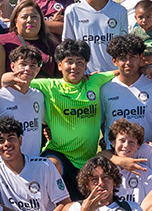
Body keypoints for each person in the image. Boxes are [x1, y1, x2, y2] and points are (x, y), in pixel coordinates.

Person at [29, 40, 113, 193]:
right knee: (49, 166)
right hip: (59, 154)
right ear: (60, 65)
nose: (74, 67)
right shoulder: (48, 86)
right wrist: (6, 77)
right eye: (69, 62)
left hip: (87, 162)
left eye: (80, 62)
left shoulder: (95, 81)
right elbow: (17, 80)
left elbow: (120, 72)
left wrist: (147, 70)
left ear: (86, 66)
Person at [0, 46, 47, 158]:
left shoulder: (38, 96)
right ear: (12, 66)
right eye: (23, 64)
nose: (27, 69)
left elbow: (44, 124)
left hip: (32, 165)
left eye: (33, 66)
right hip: (3, 167)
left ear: (38, 70)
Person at [63, 0, 128, 72]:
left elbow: (124, 49)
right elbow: (68, 49)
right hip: (84, 77)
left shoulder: (120, 11)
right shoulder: (72, 11)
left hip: (113, 76)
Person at [99, 34, 152, 145]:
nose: (128, 62)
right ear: (114, 61)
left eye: (133, 57)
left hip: (148, 153)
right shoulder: (105, 89)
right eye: (123, 58)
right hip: (117, 154)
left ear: (141, 58)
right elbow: (101, 123)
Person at [0, 0, 57, 78]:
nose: (29, 20)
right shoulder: (2, 42)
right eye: (24, 17)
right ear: (15, 21)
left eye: (34, 16)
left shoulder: (52, 44)